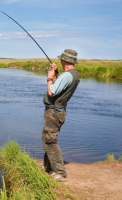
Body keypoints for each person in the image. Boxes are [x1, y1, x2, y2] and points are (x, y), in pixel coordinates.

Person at [42, 49, 80, 182]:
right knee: (47, 137)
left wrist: (49, 76)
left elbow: (52, 92)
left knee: (50, 140)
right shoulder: (72, 74)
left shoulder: (67, 75)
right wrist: (56, 73)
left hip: (54, 112)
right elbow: (60, 86)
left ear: (65, 60)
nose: (60, 60)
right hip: (58, 112)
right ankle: (48, 166)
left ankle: (60, 173)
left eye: (61, 59)